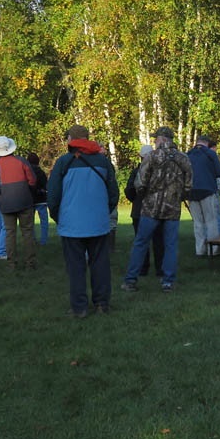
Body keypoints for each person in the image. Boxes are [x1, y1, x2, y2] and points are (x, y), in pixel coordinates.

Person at [48, 125, 118, 316]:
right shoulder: (104, 163)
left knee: (76, 268)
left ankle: (79, 308)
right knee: (100, 265)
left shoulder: (63, 162)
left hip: (71, 224)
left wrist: (58, 216)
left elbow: (53, 195)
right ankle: (102, 304)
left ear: (70, 139)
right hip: (98, 223)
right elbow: (113, 194)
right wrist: (103, 212)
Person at [122, 127, 192, 293]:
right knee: (170, 245)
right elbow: (189, 185)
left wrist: (146, 195)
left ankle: (131, 280)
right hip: (172, 209)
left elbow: (140, 183)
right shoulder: (183, 158)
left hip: (150, 209)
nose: (154, 141)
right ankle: (168, 282)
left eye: (156, 138)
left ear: (162, 139)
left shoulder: (151, 157)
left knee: (140, 244)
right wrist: (177, 196)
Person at [0, 136, 38, 271]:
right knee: (27, 232)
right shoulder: (21, 161)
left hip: (5, 202)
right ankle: (30, 263)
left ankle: (12, 264)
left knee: (9, 233)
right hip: (24, 200)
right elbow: (32, 180)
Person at [124, 144, 163, 276]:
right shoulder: (159, 172)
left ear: (140, 157)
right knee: (158, 241)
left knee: (141, 242)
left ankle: (142, 269)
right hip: (156, 210)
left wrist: (135, 200)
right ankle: (160, 269)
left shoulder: (136, 172)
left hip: (139, 211)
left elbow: (129, 190)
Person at [186, 134, 220, 257]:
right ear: (207, 144)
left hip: (192, 192)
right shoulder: (210, 154)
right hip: (208, 190)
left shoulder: (188, 154)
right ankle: (213, 250)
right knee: (211, 221)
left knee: (198, 222)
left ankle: (200, 250)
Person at [25, 152, 50, 245]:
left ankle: (33, 240)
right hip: (42, 200)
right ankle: (44, 241)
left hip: (31, 200)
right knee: (44, 222)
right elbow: (46, 186)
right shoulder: (42, 173)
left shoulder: (27, 173)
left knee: (30, 223)